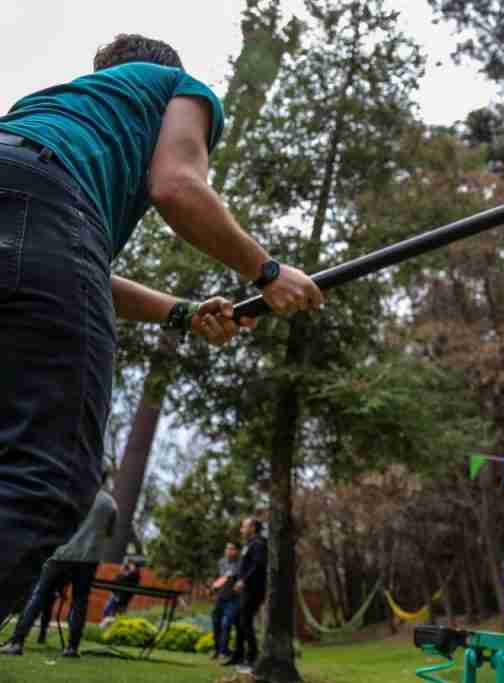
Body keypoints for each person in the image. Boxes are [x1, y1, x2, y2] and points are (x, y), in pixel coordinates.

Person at [0, 33, 324, 621]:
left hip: (31, 218)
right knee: (48, 482)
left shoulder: (44, 109)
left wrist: (181, 311)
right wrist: (266, 271)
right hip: (44, 213)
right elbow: (176, 186)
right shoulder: (177, 87)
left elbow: (67, 266)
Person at [0, 486, 118, 658]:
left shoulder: (72, 492)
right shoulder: (110, 503)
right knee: (80, 601)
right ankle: (72, 648)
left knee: (39, 595)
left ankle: (16, 643)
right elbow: (110, 533)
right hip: (88, 559)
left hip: (61, 554)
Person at [224, 517, 268, 669]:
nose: (241, 529)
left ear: (253, 528)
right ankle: (238, 655)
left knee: (244, 621)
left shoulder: (259, 544)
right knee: (238, 619)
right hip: (245, 589)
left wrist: (244, 581)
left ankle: (253, 657)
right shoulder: (249, 544)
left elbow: (258, 566)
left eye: (244, 526)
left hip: (253, 589)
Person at [209, 541, 241, 661]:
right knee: (216, 621)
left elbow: (229, 577)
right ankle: (216, 649)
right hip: (220, 597)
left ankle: (223, 652)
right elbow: (219, 577)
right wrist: (213, 589)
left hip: (234, 598)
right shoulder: (221, 562)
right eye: (227, 548)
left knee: (226, 624)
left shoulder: (240, 563)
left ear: (237, 551)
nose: (228, 551)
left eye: (232, 549)